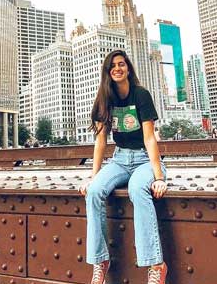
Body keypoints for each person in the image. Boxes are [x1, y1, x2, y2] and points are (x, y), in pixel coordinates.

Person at [79, 50, 168, 284]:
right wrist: (93, 177)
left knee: (138, 190)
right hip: (119, 159)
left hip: (144, 160)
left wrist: (159, 177)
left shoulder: (141, 95)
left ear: (128, 67)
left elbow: (150, 138)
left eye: (121, 64)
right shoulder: (104, 99)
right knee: (95, 191)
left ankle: (156, 264)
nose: (117, 68)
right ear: (108, 72)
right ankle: (100, 261)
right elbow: (100, 142)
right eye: (112, 66)